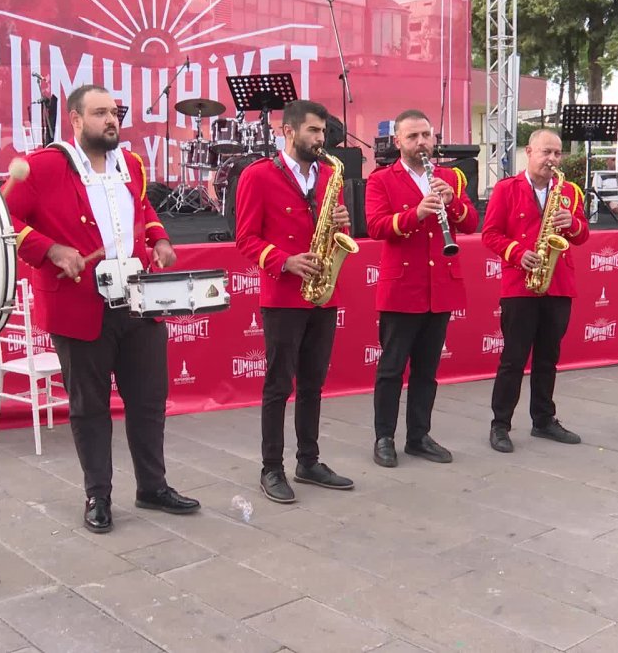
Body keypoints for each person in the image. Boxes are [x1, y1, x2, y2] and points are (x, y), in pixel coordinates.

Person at [6, 84, 200, 534]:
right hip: (79, 304)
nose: (111, 120)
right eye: (100, 113)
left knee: (148, 401)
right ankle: (98, 495)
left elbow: (143, 207)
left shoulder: (130, 163)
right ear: (75, 120)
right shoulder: (42, 166)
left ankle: (153, 486)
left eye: (115, 112)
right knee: (89, 407)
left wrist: (160, 239)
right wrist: (50, 249)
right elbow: (3, 217)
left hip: (137, 300)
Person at [234, 99, 355, 503]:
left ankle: (309, 460)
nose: (321, 139)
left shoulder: (328, 174)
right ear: (288, 131)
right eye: (313, 131)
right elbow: (246, 239)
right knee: (278, 384)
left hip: (323, 290)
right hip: (284, 294)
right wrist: (284, 261)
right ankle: (271, 467)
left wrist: (340, 222)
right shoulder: (258, 176)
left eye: (323, 132)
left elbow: (335, 223)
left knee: (314, 384)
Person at [364, 109, 479, 467]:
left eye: (426, 135)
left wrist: (452, 202)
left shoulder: (448, 176)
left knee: (428, 369)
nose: (421, 143)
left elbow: (472, 222)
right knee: (392, 367)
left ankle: (418, 436)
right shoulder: (381, 179)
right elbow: (376, 226)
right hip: (403, 288)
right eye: (413, 137)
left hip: (439, 286)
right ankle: (384, 437)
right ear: (398, 142)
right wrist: (417, 214)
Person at [480, 129, 590, 453]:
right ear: (529, 152)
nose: (553, 160)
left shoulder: (569, 191)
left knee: (548, 358)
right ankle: (500, 425)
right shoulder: (506, 189)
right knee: (513, 359)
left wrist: (571, 223)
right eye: (547, 152)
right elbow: (490, 234)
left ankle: (543, 420)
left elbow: (582, 236)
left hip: (558, 285)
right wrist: (516, 252)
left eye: (558, 154)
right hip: (520, 285)